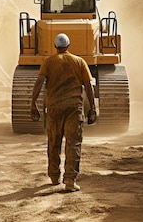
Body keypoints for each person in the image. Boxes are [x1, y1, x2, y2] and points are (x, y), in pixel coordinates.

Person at [30, 33, 97, 192]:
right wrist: (92, 108)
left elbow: (39, 81)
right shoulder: (79, 61)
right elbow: (88, 85)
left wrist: (33, 103)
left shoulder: (48, 61)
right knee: (73, 144)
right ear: (68, 46)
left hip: (54, 108)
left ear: (55, 46)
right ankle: (69, 181)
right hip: (73, 108)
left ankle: (54, 177)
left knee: (53, 142)